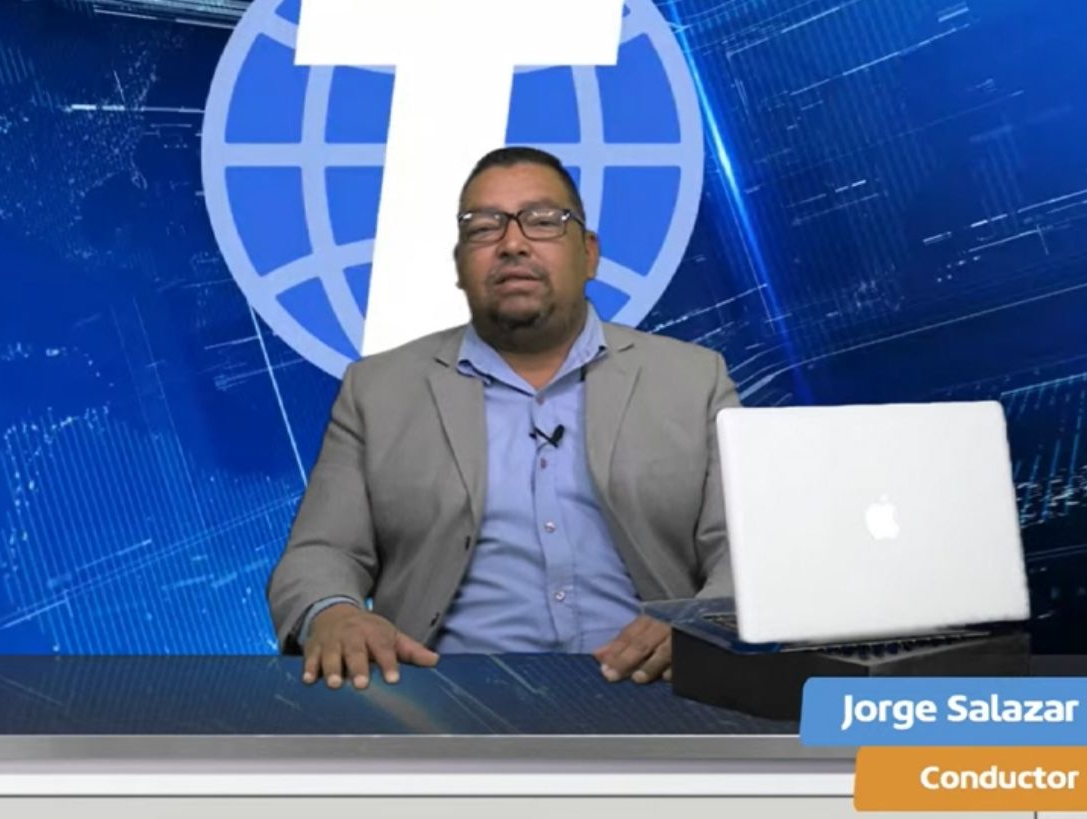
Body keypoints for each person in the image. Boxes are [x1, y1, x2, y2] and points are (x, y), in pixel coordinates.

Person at [266, 146, 740, 691]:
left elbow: (746, 549)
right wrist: (333, 612)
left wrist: (702, 624)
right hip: (445, 700)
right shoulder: (377, 391)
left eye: (544, 221)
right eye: (484, 228)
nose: (512, 243)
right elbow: (320, 553)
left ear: (589, 254)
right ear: (459, 265)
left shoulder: (694, 380)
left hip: (654, 691)